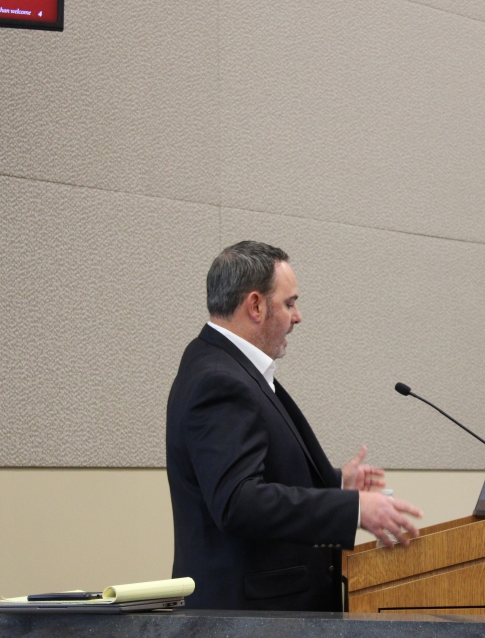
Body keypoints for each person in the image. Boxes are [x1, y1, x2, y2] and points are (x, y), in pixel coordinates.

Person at [166, 240, 423, 611]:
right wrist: (352, 508)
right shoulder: (220, 379)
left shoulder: (222, 365)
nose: (297, 316)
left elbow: (254, 475)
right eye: (289, 303)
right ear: (255, 305)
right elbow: (239, 501)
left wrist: (334, 483)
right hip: (249, 626)